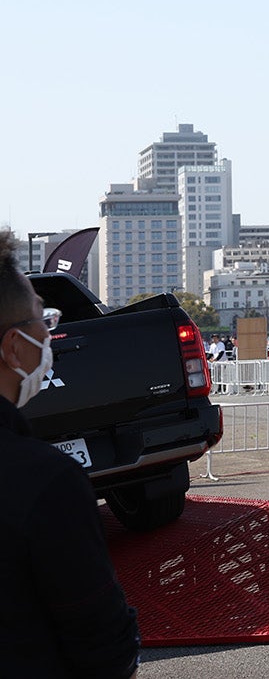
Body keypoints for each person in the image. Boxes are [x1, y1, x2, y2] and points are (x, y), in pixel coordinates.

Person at [0, 228, 141, 678]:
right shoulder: (43, 481)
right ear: (13, 347)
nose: (50, 331)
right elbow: (103, 642)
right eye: (42, 318)